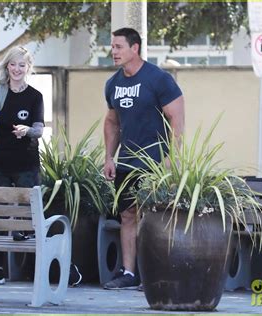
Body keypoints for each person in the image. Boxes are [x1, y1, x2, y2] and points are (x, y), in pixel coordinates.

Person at [103, 28, 185, 290]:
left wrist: (173, 158)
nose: (113, 52)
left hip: (155, 162)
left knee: (154, 217)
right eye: (112, 47)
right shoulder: (113, 84)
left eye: (118, 47)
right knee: (127, 216)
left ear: (134, 48)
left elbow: (177, 118)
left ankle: (156, 274)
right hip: (127, 161)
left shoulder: (159, 79)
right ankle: (129, 273)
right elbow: (112, 121)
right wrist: (109, 157)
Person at [0, 46, 44, 285]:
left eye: (22, 65)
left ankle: (33, 269)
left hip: (26, 163)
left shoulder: (35, 96)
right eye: (13, 64)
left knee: (29, 218)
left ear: (28, 68)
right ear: (6, 66)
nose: (17, 69)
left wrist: (28, 130)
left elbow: (39, 130)